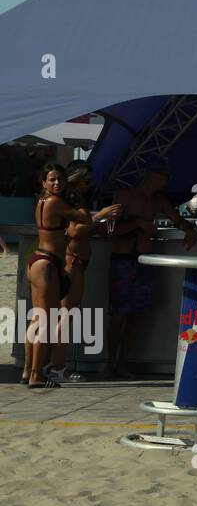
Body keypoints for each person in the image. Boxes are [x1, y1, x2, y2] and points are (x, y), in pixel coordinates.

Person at [24, 163, 121, 388]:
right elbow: (79, 225)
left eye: (60, 179)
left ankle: (30, 370)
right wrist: (102, 214)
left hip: (42, 260)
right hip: (52, 262)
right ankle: (40, 373)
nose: (57, 183)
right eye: (53, 179)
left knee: (39, 319)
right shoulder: (57, 202)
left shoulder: (44, 201)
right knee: (51, 319)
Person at [106, 161, 197, 379]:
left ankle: (122, 363)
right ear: (151, 176)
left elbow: (177, 219)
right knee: (119, 315)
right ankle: (110, 363)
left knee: (136, 316)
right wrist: (138, 223)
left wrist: (190, 231)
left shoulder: (158, 201)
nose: (167, 181)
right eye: (164, 176)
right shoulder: (125, 196)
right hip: (122, 260)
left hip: (144, 260)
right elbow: (110, 229)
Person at [48, 160, 103, 383]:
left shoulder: (70, 201)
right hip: (73, 261)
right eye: (86, 182)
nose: (89, 186)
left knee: (65, 315)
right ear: (76, 181)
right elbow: (73, 232)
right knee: (66, 315)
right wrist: (99, 216)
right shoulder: (68, 202)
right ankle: (57, 367)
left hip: (75, 260)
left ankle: (54, 365)